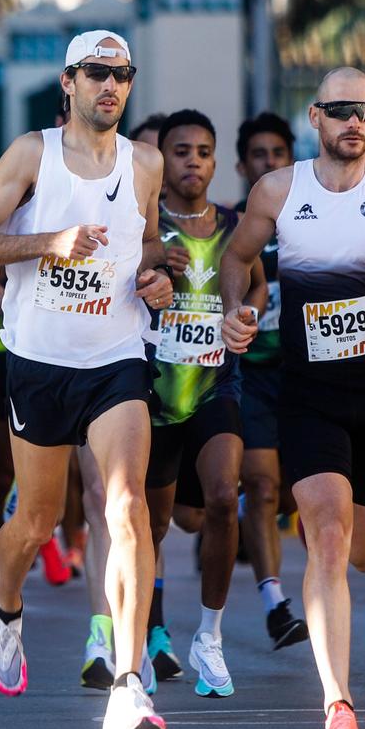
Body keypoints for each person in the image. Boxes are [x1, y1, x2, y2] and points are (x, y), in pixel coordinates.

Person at [0, 30, 177, 729]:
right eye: (96, 72)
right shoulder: (32, 155)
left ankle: (128, 679)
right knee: (37, 522)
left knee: (126, 504)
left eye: (122, 74)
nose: (110, 85)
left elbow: (140, 242)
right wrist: (42, 243)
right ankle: (6, 604)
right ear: (69, 81)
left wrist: (156, 277)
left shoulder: (145, 163)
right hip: (39, 361)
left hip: (116, 356)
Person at [219, 69, 365, 729]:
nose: (356, 122)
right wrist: (239, 306)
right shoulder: (279, 191)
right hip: (310, 395)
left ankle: (343, 657)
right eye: (342, 110)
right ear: (316, 117)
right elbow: (236, 255)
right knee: (325, 534)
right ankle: (337, 706)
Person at [143, 109, 265, 699]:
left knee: (223, 498)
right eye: (181, 150)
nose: (193, 161)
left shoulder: (235, 226)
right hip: (156, 393)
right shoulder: (144, 224)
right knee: (155, 525)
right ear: (161, 159)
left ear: (216, 161)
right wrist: (147, 280)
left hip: (218, 383)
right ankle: (144, 633)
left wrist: (246, 312)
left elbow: (257, 281)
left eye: (204, 151)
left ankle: (209, 638)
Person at [232, 111, 307, 650]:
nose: (267, 162)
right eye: (258, 155)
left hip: (307, 371)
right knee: (260, 487)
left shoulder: (312, 216)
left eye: (277, 154)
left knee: (287, 494)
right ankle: (275, 604)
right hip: (252, 373)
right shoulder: (232, 225)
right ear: (242, 165)